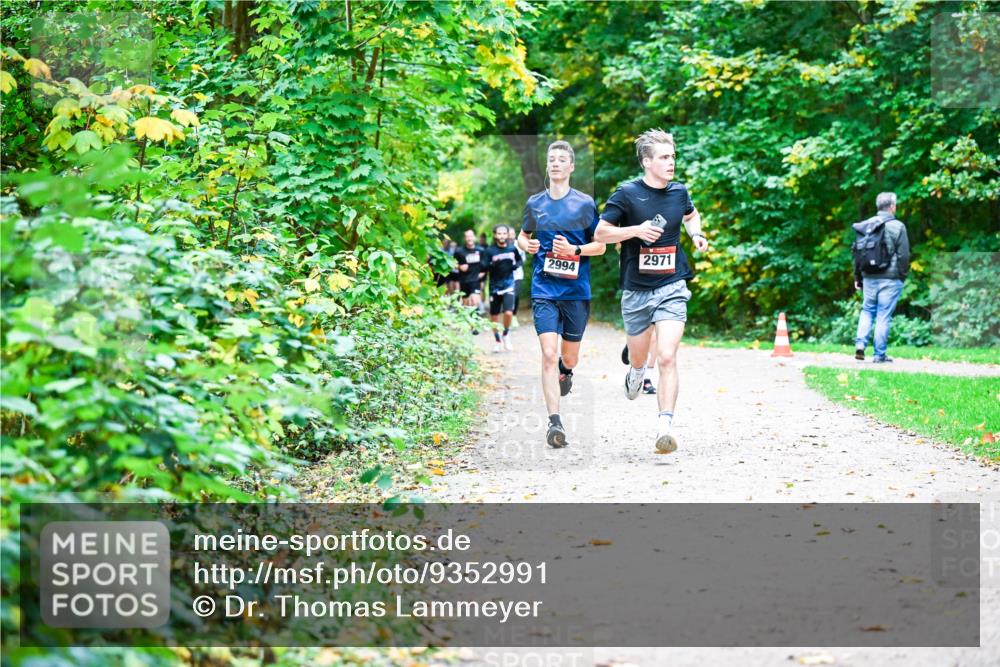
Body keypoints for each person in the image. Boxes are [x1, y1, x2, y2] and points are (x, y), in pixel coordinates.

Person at [594, 128, 709, 454]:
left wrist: (696, 235)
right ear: (647, 161)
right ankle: (636, 370)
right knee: (641, 356)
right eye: (664, 157)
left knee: (668, 356)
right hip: (637, 291)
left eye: (672, 156)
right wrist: (635, 231)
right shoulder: (627, 193)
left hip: (672, 284)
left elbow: (691, 215)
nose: (671, 162)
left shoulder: (679, 191)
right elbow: (601, 233)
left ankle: (664, 428)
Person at [518, 140, 606, 448]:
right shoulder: (535, 204)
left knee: (568, 357)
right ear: (548, 166)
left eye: (561, 160)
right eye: (551, 159)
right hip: (544, 288)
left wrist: (575, 250)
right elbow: (523, 235)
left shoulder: (584, 204)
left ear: (570, 167)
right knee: (547, 353)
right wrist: (523, 244)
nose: (555, 163)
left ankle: (566, 372)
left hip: (575, 290)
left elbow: (601, 245)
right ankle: (554, 423)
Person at [852, 192, 910, 363]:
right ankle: (879, 355)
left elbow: (857, 253)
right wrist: (902, 275)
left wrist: (858, 277)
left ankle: (860, 346)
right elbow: (904, 255)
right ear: (892, 206)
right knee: (883, 315)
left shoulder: (866, 225)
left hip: (868, 277)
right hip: (891, 279)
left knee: (867, 310)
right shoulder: (898, 226)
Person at [482, 224, 522, 352]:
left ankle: (506, 334)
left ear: (507, 234)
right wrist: (492, 264)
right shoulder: (489, 251)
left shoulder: (512, 248)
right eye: (499, 234)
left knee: (508, 312)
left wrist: (515, 266)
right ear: (495, 235)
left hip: (509, 284)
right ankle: (497, 340)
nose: (502, 236)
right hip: (494, 287)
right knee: (494, 316)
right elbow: (483, 267)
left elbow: (519, 261)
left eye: (504, 233)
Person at [454, 229, 485, 332]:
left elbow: (485, 264)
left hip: (475, 280)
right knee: (467, 305)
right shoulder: (459, 251)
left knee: (475, 301)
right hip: (464, 281)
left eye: (471, 236)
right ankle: (470, 324)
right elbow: (453, 263)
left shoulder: (480, 250)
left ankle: (475, 325)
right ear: (465, 238)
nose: (469, 238)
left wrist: (483, 273)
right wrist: (459, 266)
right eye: (467, 236)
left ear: (474, 237)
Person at [507, 225, 525, 322]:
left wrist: (516, 265)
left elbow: (523, 259)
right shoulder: (503, 245)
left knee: (516, 295)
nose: (511, 236)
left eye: (513, 234)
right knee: (509, 295)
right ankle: (508, 315)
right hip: (506, 276)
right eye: (509, 234)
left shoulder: (519, 244)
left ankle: (514, 315)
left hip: (518, 274)